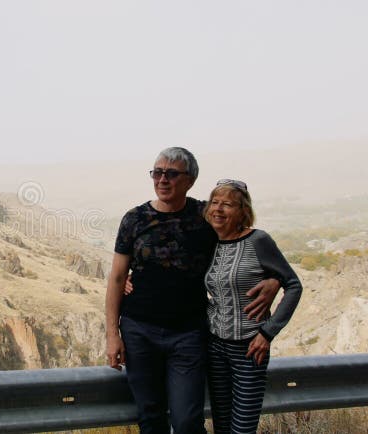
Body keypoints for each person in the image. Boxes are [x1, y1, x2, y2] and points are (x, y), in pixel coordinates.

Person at [105, 147, 278, 434]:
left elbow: (244, 243)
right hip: (139, 331)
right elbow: (116, 277)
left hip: (188, 334)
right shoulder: (134, 219)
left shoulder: (206, 216)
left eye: (171, 173)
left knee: (186, 420)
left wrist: (273, 278)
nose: (162, 179)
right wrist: (113, 335)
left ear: (190, 180)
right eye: (157, 172)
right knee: (150, 417)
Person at [203, 179, 302, 434]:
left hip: (250, 347)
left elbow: (293, 285)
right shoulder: (207, 243)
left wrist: (268, 332)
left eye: (228, 204)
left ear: (243, 211)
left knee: (243, 428)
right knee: (222, 426)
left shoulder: (258, 240)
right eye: (214, 202)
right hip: (215, 347)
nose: (219, 209)